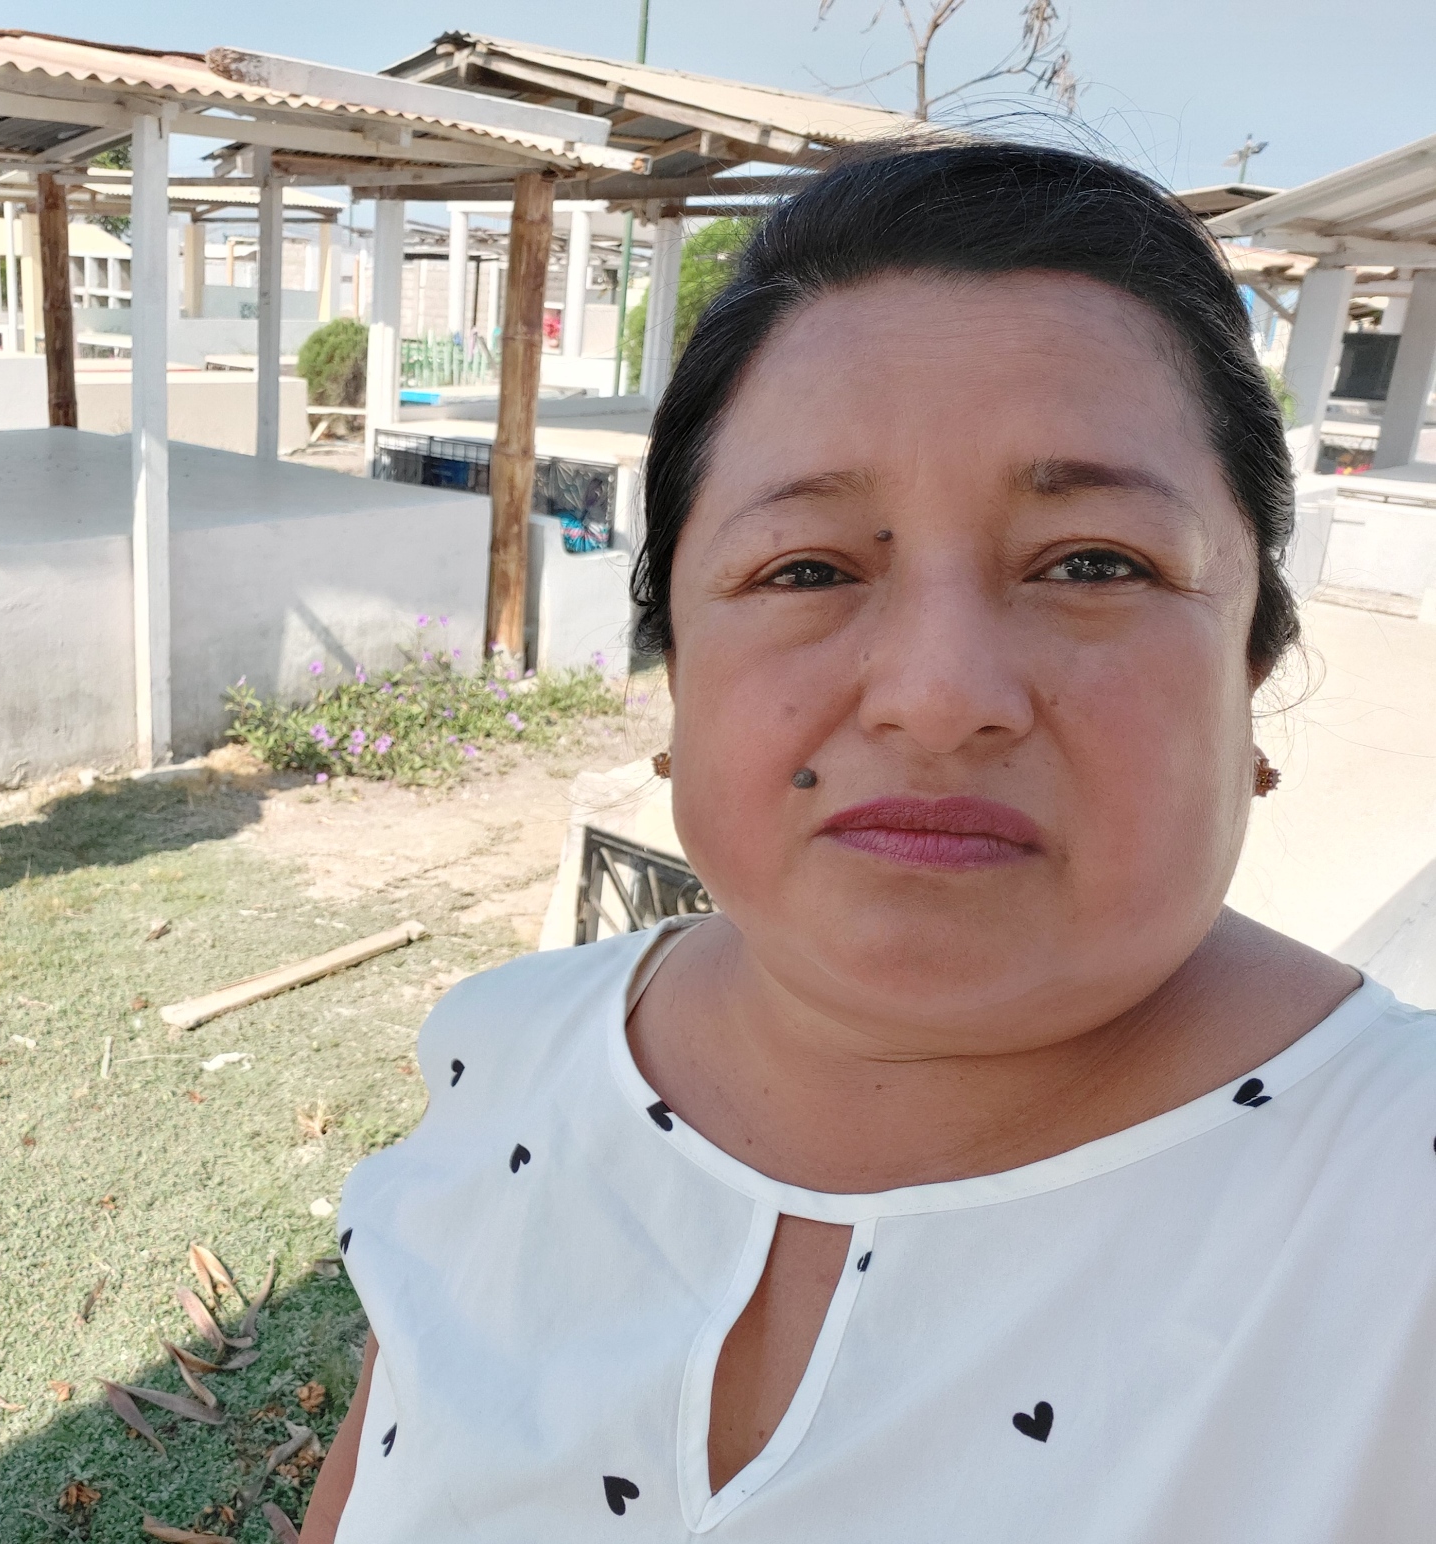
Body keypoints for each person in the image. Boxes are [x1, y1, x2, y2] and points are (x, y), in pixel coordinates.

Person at [301, 140, 1436, 1542]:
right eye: (807, 568)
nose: (938, 695)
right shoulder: (502, 1057)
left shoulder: (1398, 1203)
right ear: (677, 672)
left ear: (1249, 661)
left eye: (1093, 562)